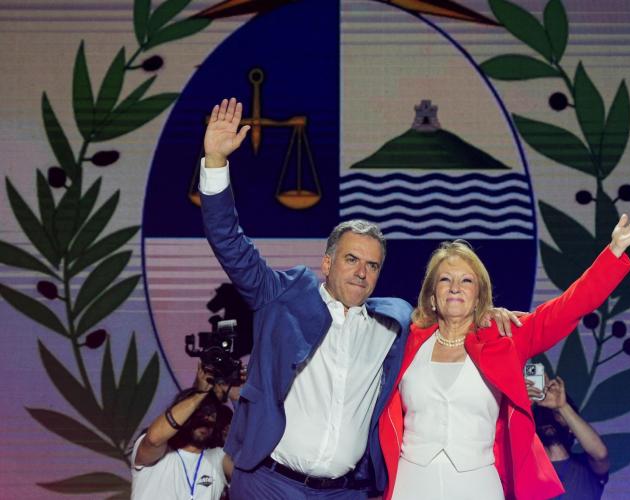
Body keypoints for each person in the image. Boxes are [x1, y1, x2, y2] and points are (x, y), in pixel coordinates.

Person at [198, 97, 520, 499]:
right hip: (270, 483)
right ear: (327, 263)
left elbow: (449, 319)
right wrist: (215, 161)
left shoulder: (394, 322)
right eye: (351, 260)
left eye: (372, 265)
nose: (361, 272)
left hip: (346, 491)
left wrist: (486, 314)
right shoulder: (282, 296)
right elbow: (229, 242)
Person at [378, 209, 630, 500]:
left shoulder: (505, 337)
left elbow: (568, 308)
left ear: (479, 297)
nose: (455, 288)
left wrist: (613, 252)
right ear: (432, 297)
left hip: (477, 484)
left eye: (467, 281)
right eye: (445, 280)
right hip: (411, 483)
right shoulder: (405, 341)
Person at [131, 363, 235, 500]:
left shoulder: (217, 457)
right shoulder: (160, 451)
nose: (206, 418)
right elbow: (154, 439)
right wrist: (199, 394)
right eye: (201, 411)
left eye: (211, 414)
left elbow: (251, 477)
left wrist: (238, 395)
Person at [528, 376, 609, 499]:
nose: (549, 418)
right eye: (544, 414)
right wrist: (523, 406)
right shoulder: (524, 470)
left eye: (556, 413)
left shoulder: (586, 466)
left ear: (572, 427)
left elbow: (600, 454)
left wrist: (562, 406)